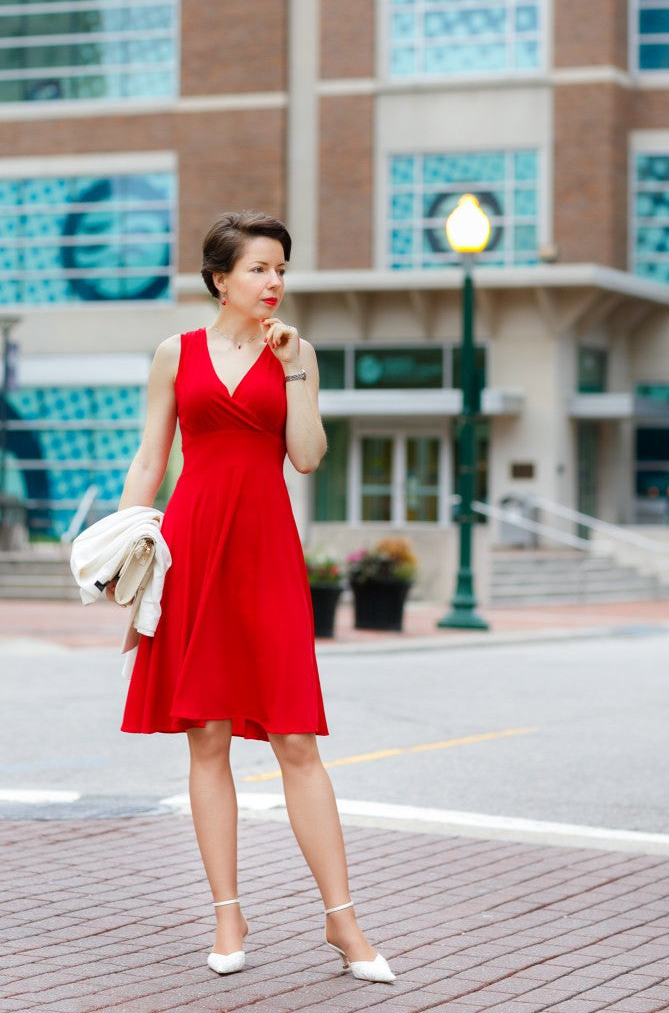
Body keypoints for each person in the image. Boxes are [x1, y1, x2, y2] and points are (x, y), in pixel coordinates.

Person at [107, 211, 396, 984]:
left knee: (295, 738)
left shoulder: (295, 353)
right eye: (259, 269)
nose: (274, 283)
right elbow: (149, 456)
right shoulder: (176, 353)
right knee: (205, 736)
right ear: (220, 279)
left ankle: (344, 922)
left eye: (279, 269)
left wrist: (294, 370)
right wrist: (127, 545)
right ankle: (227, 913)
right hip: (193, 546)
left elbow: (306, 456)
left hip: (265, 550)